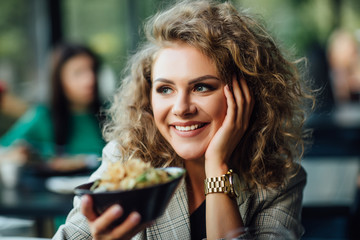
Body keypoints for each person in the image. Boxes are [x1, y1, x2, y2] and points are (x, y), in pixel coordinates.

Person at [53, 0, 313, 239]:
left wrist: (217, 165)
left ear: (247, 95)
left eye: (201, 87)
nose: (181, 108)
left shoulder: (279, 183)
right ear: (148, 96)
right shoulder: (126, 164)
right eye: (165, 89)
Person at [0, 43, 106, 170]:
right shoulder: (43, 116)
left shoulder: (110, 113)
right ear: (59, 79)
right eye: (78, 73)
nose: (90, 79)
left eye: (92, 70)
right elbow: (5, 149)